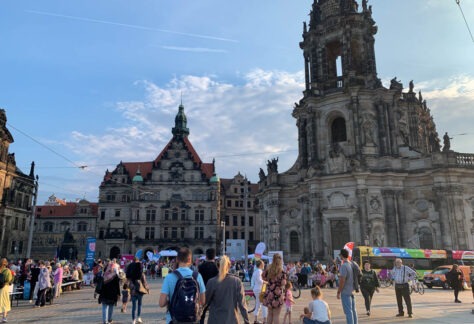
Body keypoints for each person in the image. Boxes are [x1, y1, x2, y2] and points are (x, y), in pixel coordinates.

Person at [159, 247, 206, 324]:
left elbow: (161, 303)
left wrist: (170, 301)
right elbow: (203, 301)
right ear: (190, 260)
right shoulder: (197, 276)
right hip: (192, 320)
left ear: (177, 260)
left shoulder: (169, 277)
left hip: (174, 319)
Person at [205, 255, 249, 323]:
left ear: (217, 266)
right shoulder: (236, 281)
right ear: (229, 266)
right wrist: (246, 321)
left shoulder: (211, 282)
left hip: (215, 319)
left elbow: (205, 301)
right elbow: (242, 304)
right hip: (232, 319)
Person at [262, 253, 287, 324]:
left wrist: (269, 282)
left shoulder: (268, 269)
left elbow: (263, 277)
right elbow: (283, 283)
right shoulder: (282, 272)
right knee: (276, 315)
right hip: (277, 295)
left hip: (269, 293)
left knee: (269, 314)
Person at [336, 249, 357, 324]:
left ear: (342, 255)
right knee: (353, 310)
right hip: (351, 290)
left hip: (345, 291)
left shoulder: (344, 266)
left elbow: (342, 281)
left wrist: (338, 292)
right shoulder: (351, 264)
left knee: (348, 312)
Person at [198, 248, 219, 324]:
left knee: (201, 313)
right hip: (214, 293)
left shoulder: (201, 267)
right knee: (214, 313)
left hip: (203, 292)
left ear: (206, 256)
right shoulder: (217, 268)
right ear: (214, 257)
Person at [98, 259, 120, 324]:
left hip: (104, 293)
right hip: (112, 293)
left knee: (104, 306)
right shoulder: (115, 276)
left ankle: (105, 321)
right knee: (111, 306)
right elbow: (117, 286)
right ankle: (110, 319)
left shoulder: (104, 275)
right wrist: (118, 294)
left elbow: (100, 284)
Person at [126, 257, 148, 324]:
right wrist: (147, 288)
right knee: (139, 304)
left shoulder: (130, 272)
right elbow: (144, 282)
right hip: (140, 289)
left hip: (133, 290)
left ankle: (133, 320)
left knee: (133, 306)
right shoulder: (141, 273)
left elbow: (127, 281)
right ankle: (138, 317)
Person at [0, 258, 14, 323]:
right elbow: (9, 280)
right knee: (5, 302)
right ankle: (4, 317)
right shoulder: (7, 270)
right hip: (4, 287)